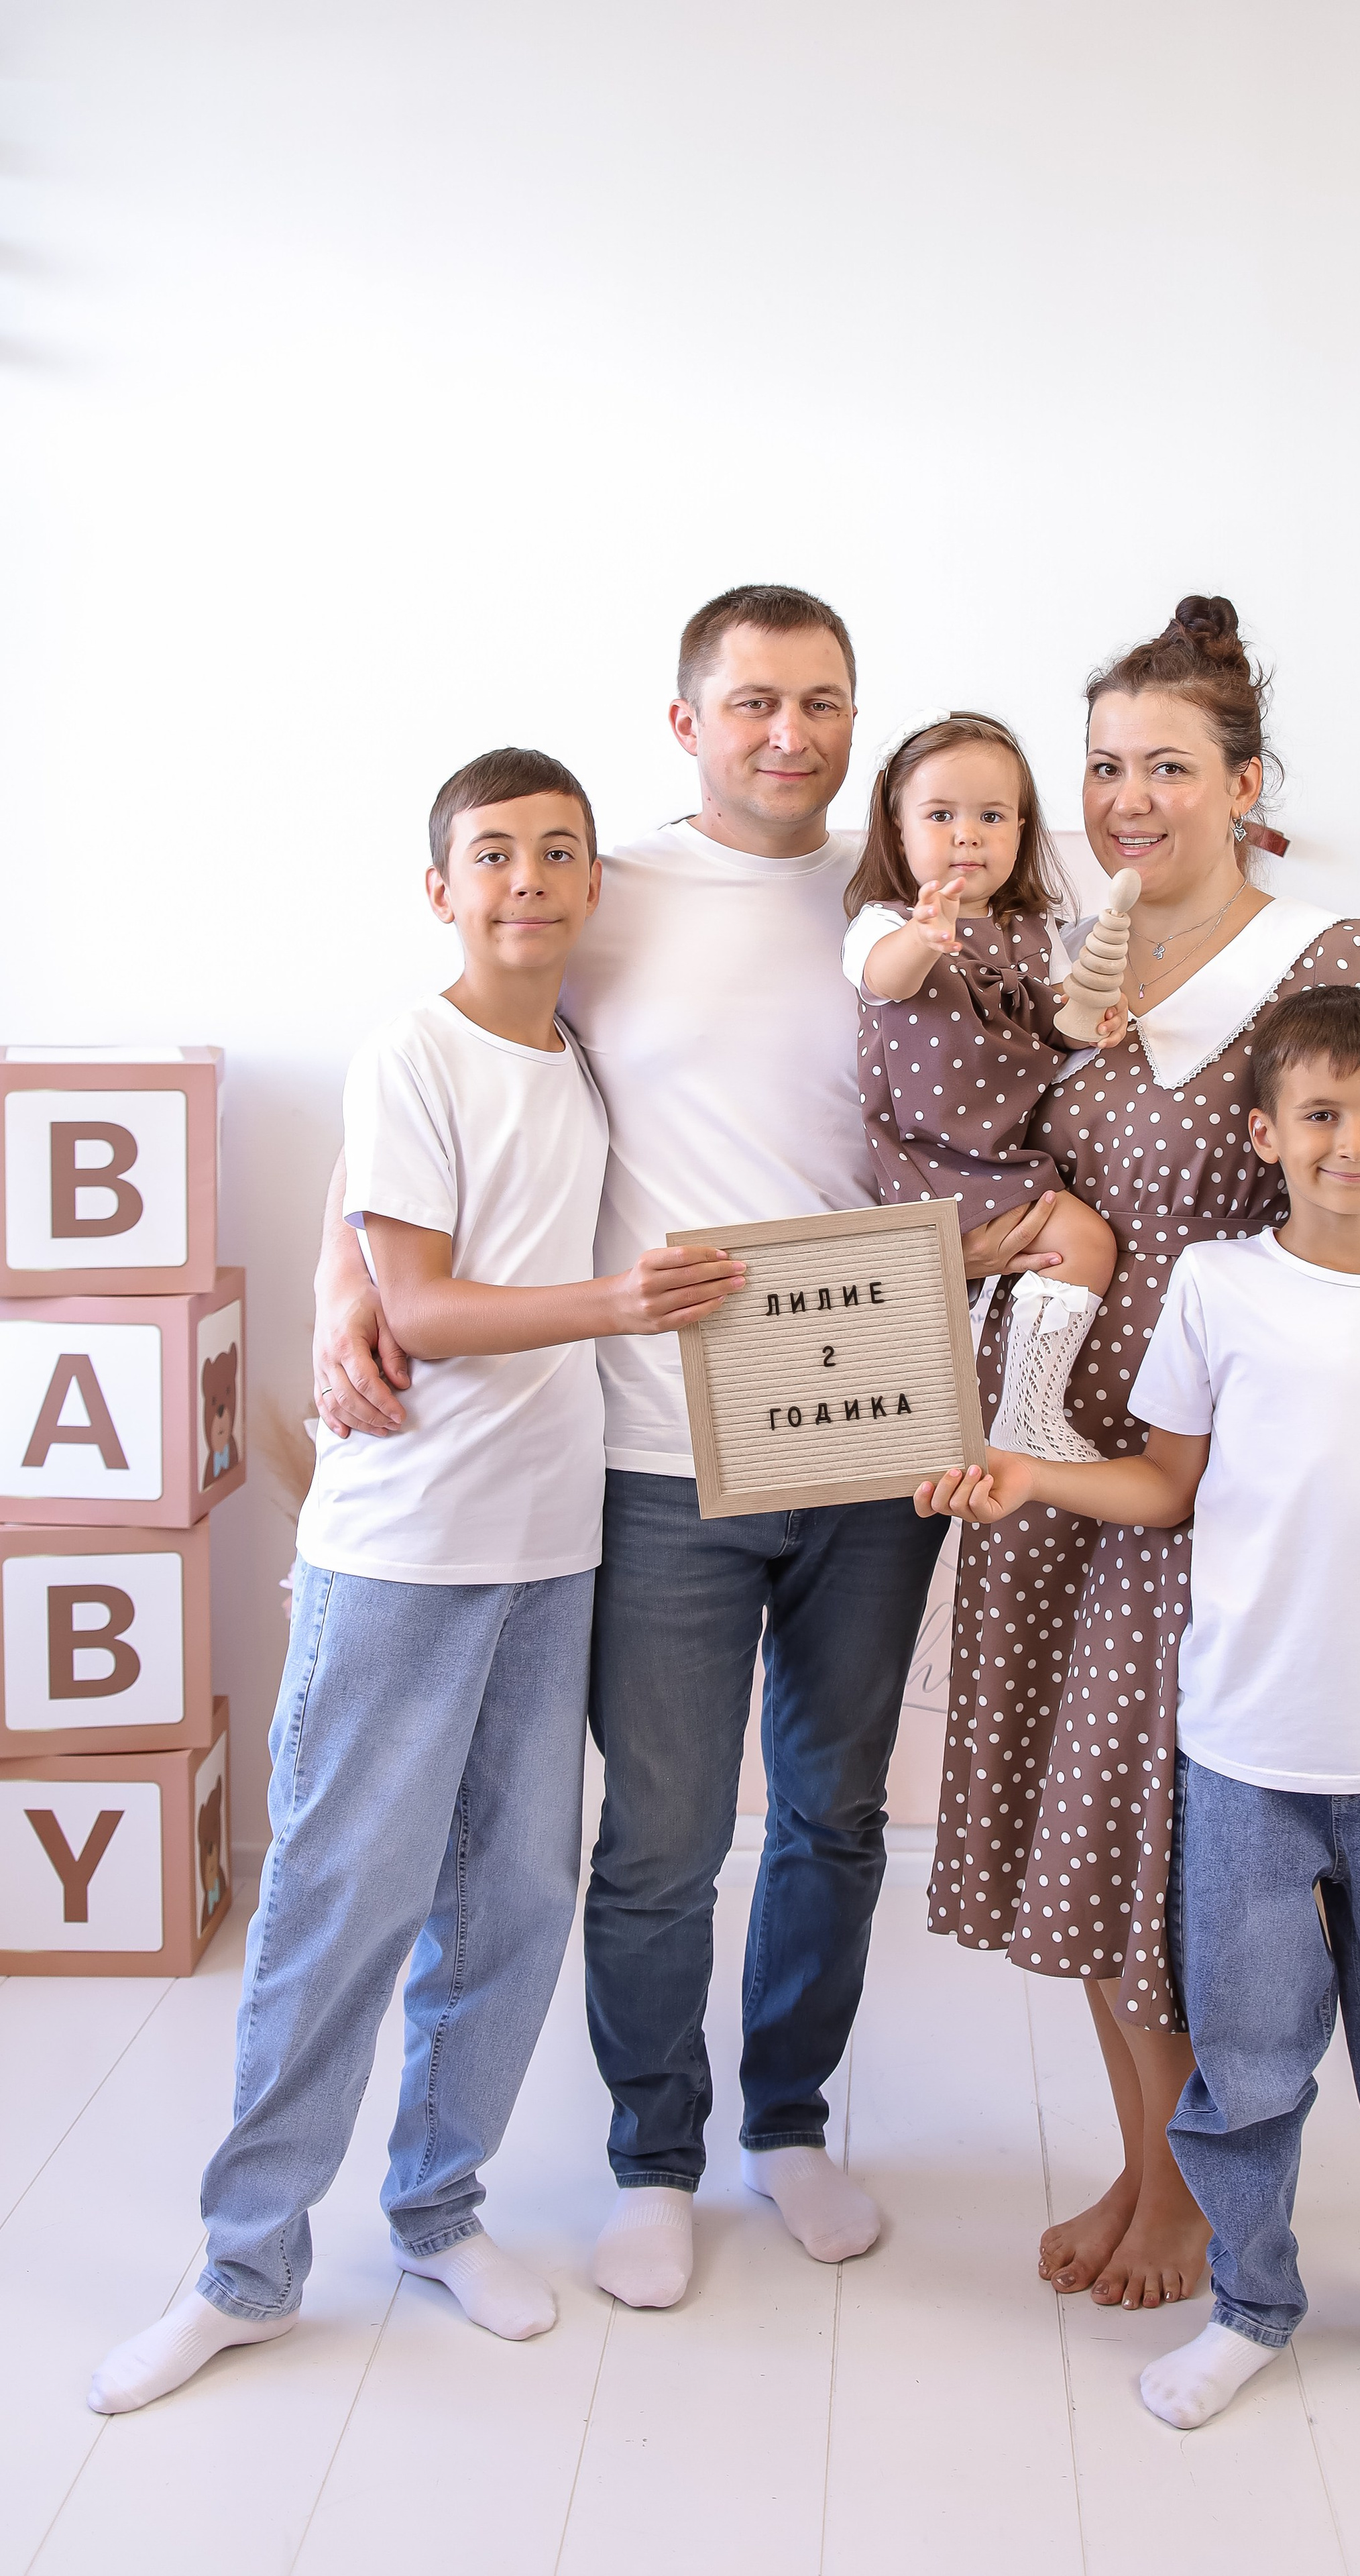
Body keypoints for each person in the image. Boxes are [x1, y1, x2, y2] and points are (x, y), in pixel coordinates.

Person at [921, 597, 1360, 2316]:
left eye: (1169, 766)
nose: (1128, 797)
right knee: (1086, 1833)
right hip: (1073, 1461)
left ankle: (1198, 2200)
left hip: (1240, 1486)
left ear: (1245, 783)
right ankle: (1148, 2169)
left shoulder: (1326, 960)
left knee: (1182, 1849)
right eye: (1106, 765)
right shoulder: (1058, 973)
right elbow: (941, 1146)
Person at [311, 590, 950, 2310]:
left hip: (876, 1423)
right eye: (751, 702)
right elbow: (430, 1056)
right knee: (661, 1830)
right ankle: (651, 2153)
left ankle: (792, 2121)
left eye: (821, 701)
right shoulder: (601, 889)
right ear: (686, 721)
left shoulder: (902, 889)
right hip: (655, 1442)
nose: (789, 734)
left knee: (829, 1814)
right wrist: (335, 1288)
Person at [87, 748, 745, 2414]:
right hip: (402, 1550)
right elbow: (428, 1304)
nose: (527, 879)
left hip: (553, 1548)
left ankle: (437, 2205)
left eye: (557, 854)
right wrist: (607, 1305)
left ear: (596, 885)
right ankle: (245, 2263)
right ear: (439, 887)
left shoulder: (587, 1060)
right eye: (492, 855)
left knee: (516, 1897)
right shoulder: (414, 1046)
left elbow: (387, 1245)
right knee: (335, 1904)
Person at [842, 710, 1125, 1460]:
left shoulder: (1036, 932)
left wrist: (1095, 1022)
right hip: (929, 1159)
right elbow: (880, 980)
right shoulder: (882, 924)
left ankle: (1020, 1412)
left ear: (1021, 830)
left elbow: (1060, 1020)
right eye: (940, 815)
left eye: (990, 816)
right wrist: (921, 939)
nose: (967, 834)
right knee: (1079, 1241)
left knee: (1070, 1249)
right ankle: (1023, 1419)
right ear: (898, 831)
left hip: (1005, 1150)